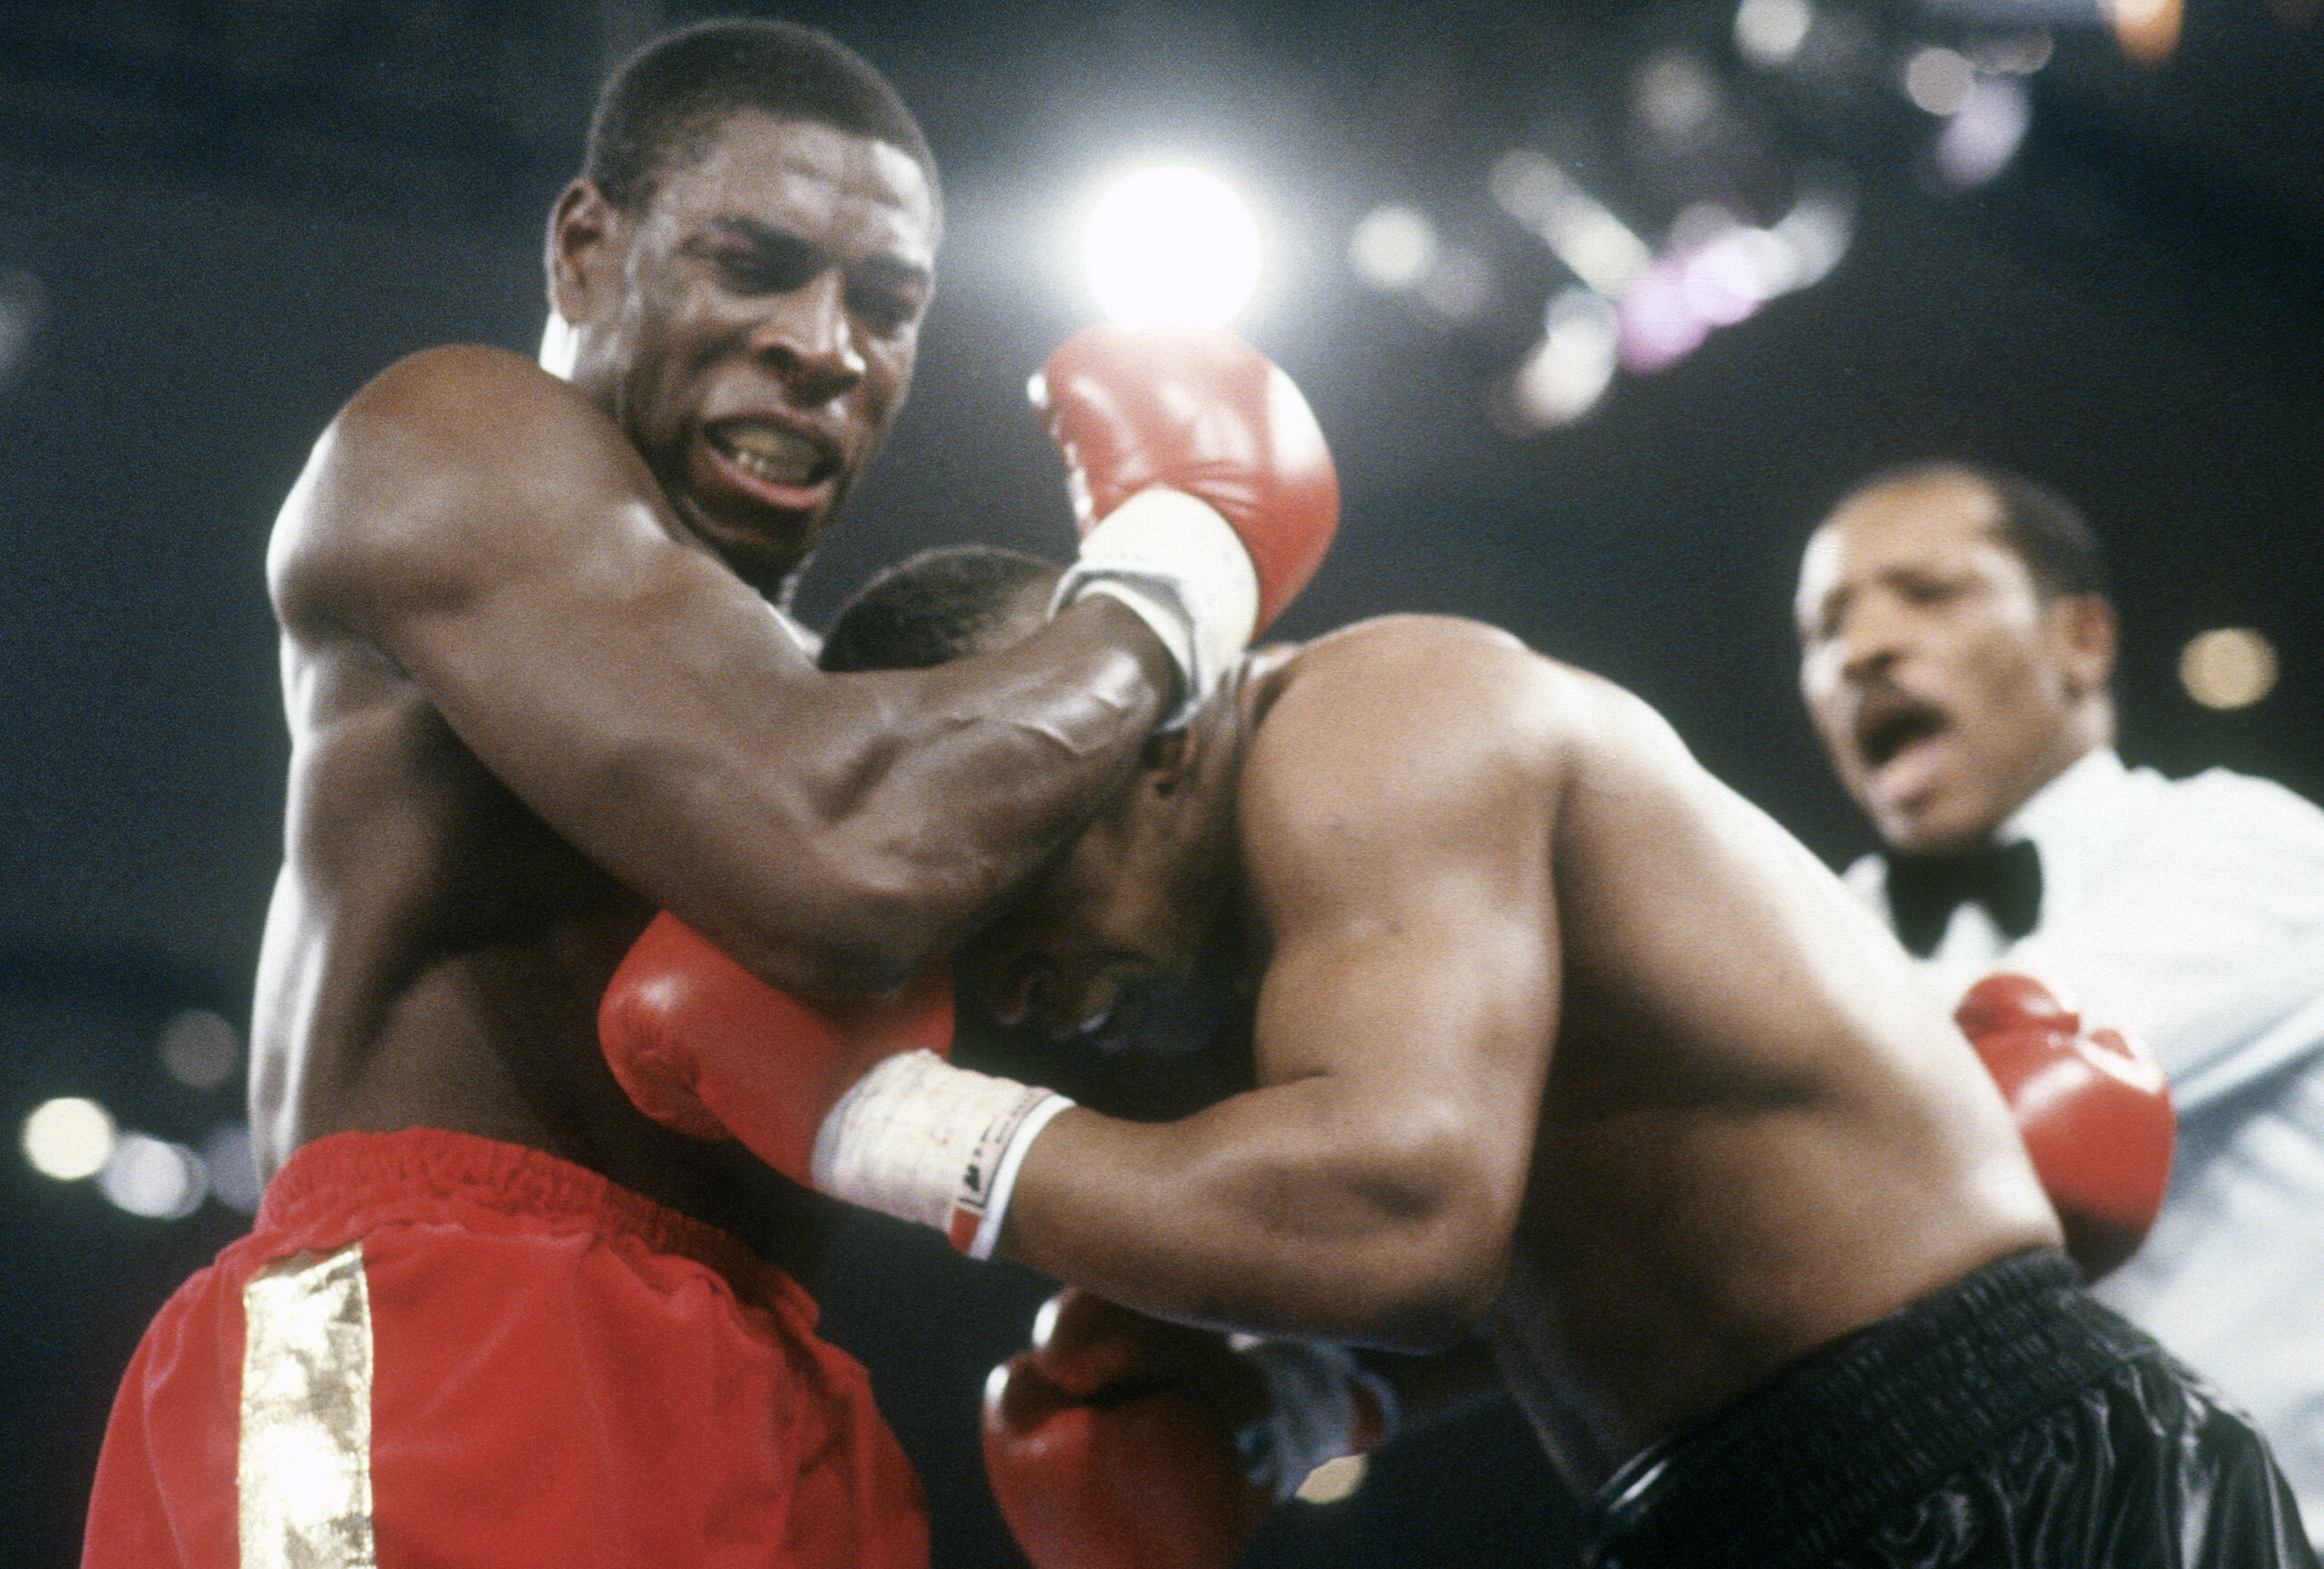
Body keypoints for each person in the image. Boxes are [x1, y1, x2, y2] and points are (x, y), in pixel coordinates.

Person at [79, 15, 1339, 1568]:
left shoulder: (864, 730)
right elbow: (834, 853)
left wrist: (1303, 1388)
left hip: (765, 1399)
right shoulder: (449, 447)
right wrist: (1184, 565)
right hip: (430, 1343)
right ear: (586, 248)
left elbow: (1200, 1054)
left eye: (887, 303)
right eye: (757, 263)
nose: (827, 345)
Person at [598, 545, 2316, 1569]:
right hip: (1738, 1502)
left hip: (2000, 1474)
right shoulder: (1332, 933)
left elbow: (1400, 1220)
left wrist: (877, 1117)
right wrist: (1298, 1397)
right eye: (972, 977)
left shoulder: (1379, 710)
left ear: (1128, 736)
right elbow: (1580, 1240)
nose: (1023, 996)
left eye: (1008, 901)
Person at [1794, 458, 2324, 1542]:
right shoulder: (1813, 934)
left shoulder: (2244, 845)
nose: (1862, 649)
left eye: (1927, 593)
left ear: (2079, 640)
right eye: (1822, 629)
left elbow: (1993, 1093)